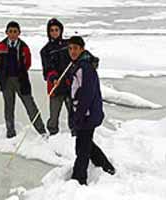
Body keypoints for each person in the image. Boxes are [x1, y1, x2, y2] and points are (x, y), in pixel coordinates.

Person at [68, 36, 116, 185]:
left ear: (82, 49)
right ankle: (106, 166)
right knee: (86, 142)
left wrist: (78, 116)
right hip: (86, 113)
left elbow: (87, 95)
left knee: (82, 148)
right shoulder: (79, 65)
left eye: (76, 48)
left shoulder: (85, 67)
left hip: (88, 114)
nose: (72, 51)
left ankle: (78, 180)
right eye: (70, 48)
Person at [0, 21, 47, 138]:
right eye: (10, 31)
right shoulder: (0, 46)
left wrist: (20, 73)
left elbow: (28, 63)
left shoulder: (24, 47)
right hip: (6, 81)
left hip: (21, 80)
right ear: (6, 32)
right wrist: (3, 75)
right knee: (9, 107)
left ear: (19, 33)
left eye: (15, 32)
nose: (13, 34)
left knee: (30, 106)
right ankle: (10, 132)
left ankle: (42, 131)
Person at [40, 18, 72, 136]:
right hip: (55, 87)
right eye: (52, 30)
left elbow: (79, 56)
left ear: (61, 31)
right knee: (54, 115)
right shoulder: (45, 50)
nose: (54, 32)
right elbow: (47, 69)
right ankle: (53, 134)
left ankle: (75, 134)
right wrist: (53, 77)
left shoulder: (68, 45)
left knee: (73, 112)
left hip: (69, 85)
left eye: (56, 30)